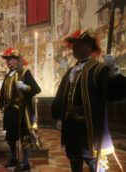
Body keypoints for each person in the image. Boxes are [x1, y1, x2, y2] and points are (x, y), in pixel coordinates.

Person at [51, 28, 126, 172]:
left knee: (95, 164)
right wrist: (58, 117)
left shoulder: (98, 68)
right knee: (74, 159)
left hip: (89, 128)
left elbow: (115, 92)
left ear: (89, 46)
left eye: (77, 44)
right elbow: (61, 96)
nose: (73, 47)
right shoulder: (70, 71)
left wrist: (114, 71)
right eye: (73, 44)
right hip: (71, 127)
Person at [0, 47, 41, 171]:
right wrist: (1, 106)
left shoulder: (24, 72)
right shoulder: (8, 75)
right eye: (6, 59)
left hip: (22, 110)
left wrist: (25, 87)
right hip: (10, 110)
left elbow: (36, 89)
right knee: (11, 136)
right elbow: (3, 92)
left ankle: (25, 162)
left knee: (25, 136)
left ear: (17, 60)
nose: (7, 62)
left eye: (10, 59)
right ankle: (13, 158)